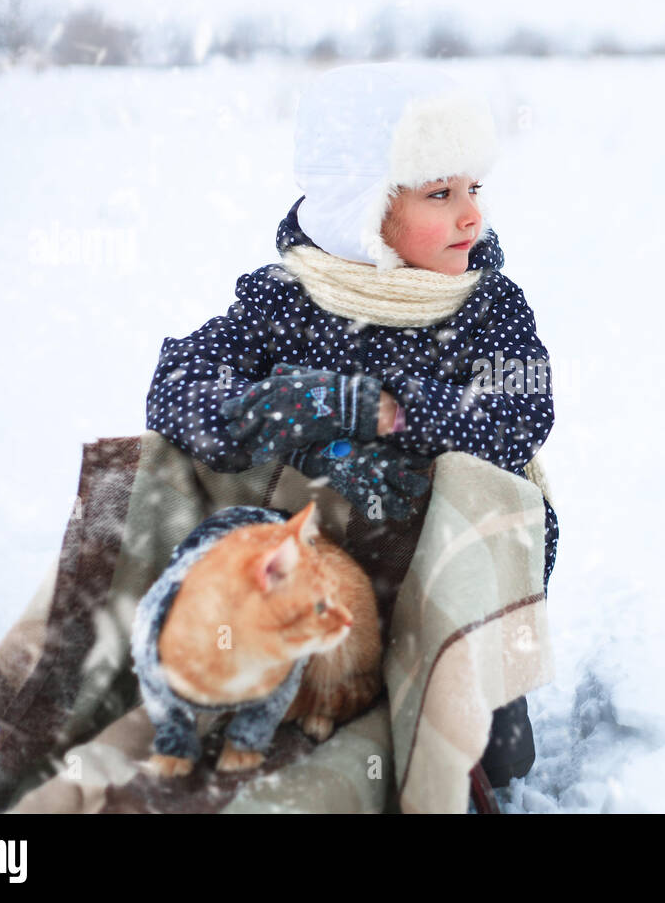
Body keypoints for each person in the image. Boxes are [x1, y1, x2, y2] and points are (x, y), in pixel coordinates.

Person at [144, 61, 557, 789]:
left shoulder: (487, 306)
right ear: (358, 207)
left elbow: (519, 415)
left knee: (494, 755)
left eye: (474, 189)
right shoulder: (284, 300)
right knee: (168, 466)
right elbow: (177, 389)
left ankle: (457, 689)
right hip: (311, 559)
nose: (472, 216)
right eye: (440, 193)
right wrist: (292, 415)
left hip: (439, 560)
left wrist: (388, 411)